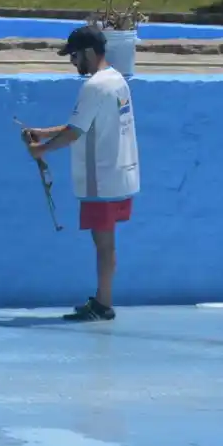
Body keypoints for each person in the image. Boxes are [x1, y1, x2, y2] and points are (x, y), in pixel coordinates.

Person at [21, 25, 140, 322]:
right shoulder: (116, 81)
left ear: (87, 53)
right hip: (120, 175)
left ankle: (103, 304)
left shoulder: (94, 86)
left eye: (74, 56)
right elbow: (82, 125)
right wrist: (42, 132)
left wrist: (41, 150)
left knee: (103, 244)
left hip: (100, 178)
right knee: (107, 243)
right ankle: (103, 300)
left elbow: (75, 132)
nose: (72, 62)